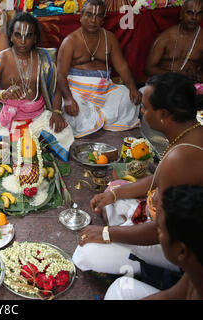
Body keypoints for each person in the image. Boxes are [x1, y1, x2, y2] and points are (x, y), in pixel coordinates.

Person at [72, 73, 203, 285]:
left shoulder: (181, 158)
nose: (141, 112)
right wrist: (115, 194)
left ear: (163, 114)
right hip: (165, 221)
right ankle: (125, 230)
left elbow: (159, 232)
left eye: (145, 107)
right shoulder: (192, 132)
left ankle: (148, 271)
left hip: (179, 249)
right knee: (115, 190)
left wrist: (105, 233)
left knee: (85, 253)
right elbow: (157, 180)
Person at [0, 12, 75, 161]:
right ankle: (31, 146)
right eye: (18, 35)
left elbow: (55, 88)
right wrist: (3, 94)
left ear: (35, 37)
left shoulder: (44, 58)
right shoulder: (2, 58)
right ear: (11, 36)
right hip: (5, 116)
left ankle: (11, 146)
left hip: (37, 116)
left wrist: (56, 112)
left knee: (64, 132)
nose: (23, 41)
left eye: (28, 36)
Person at [56, 0, 142, 138]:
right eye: (89, 15)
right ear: (81, 16)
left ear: (103, 20)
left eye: (98, 16)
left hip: (104, 90)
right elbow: (60, 74)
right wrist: (68, 99)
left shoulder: (110, 38)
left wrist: (132, 88)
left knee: (127, 97)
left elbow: (122, 66)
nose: (93, 20)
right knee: (75, 111)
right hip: (78, 91)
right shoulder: (70, 41)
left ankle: (98, 120)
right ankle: (99, 120)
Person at [104, 185, 203, 300]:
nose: (157, 237)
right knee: (120, 288)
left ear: (181, 251)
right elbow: (173, 295)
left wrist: (106, 233)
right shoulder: (195, 268)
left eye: (160, 232)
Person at [145, 0, 203, 84]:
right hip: (164, 84)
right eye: (190, 13)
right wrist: (175, 74)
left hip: (191, 87)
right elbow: (149, 68)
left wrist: (199, 76)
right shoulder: (165, 38)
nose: (194, 17)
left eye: (199, 13)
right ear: (181, 14)